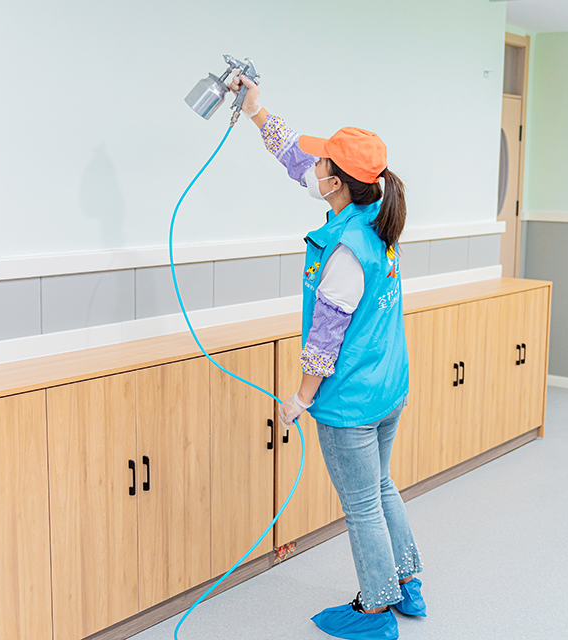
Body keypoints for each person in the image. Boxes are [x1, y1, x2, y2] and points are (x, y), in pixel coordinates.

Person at [228, 75, 425, 640]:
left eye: (322, 164)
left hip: (351, 401)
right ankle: (407, 582)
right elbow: (296, 157)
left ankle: (375, 612)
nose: (311, 166)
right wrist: (256, 111)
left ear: (336, 183)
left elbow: (323, 343)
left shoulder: (345, 251)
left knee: (361, 504)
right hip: (387, 387)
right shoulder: (376, 212)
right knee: (382, 486)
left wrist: (298, 400)